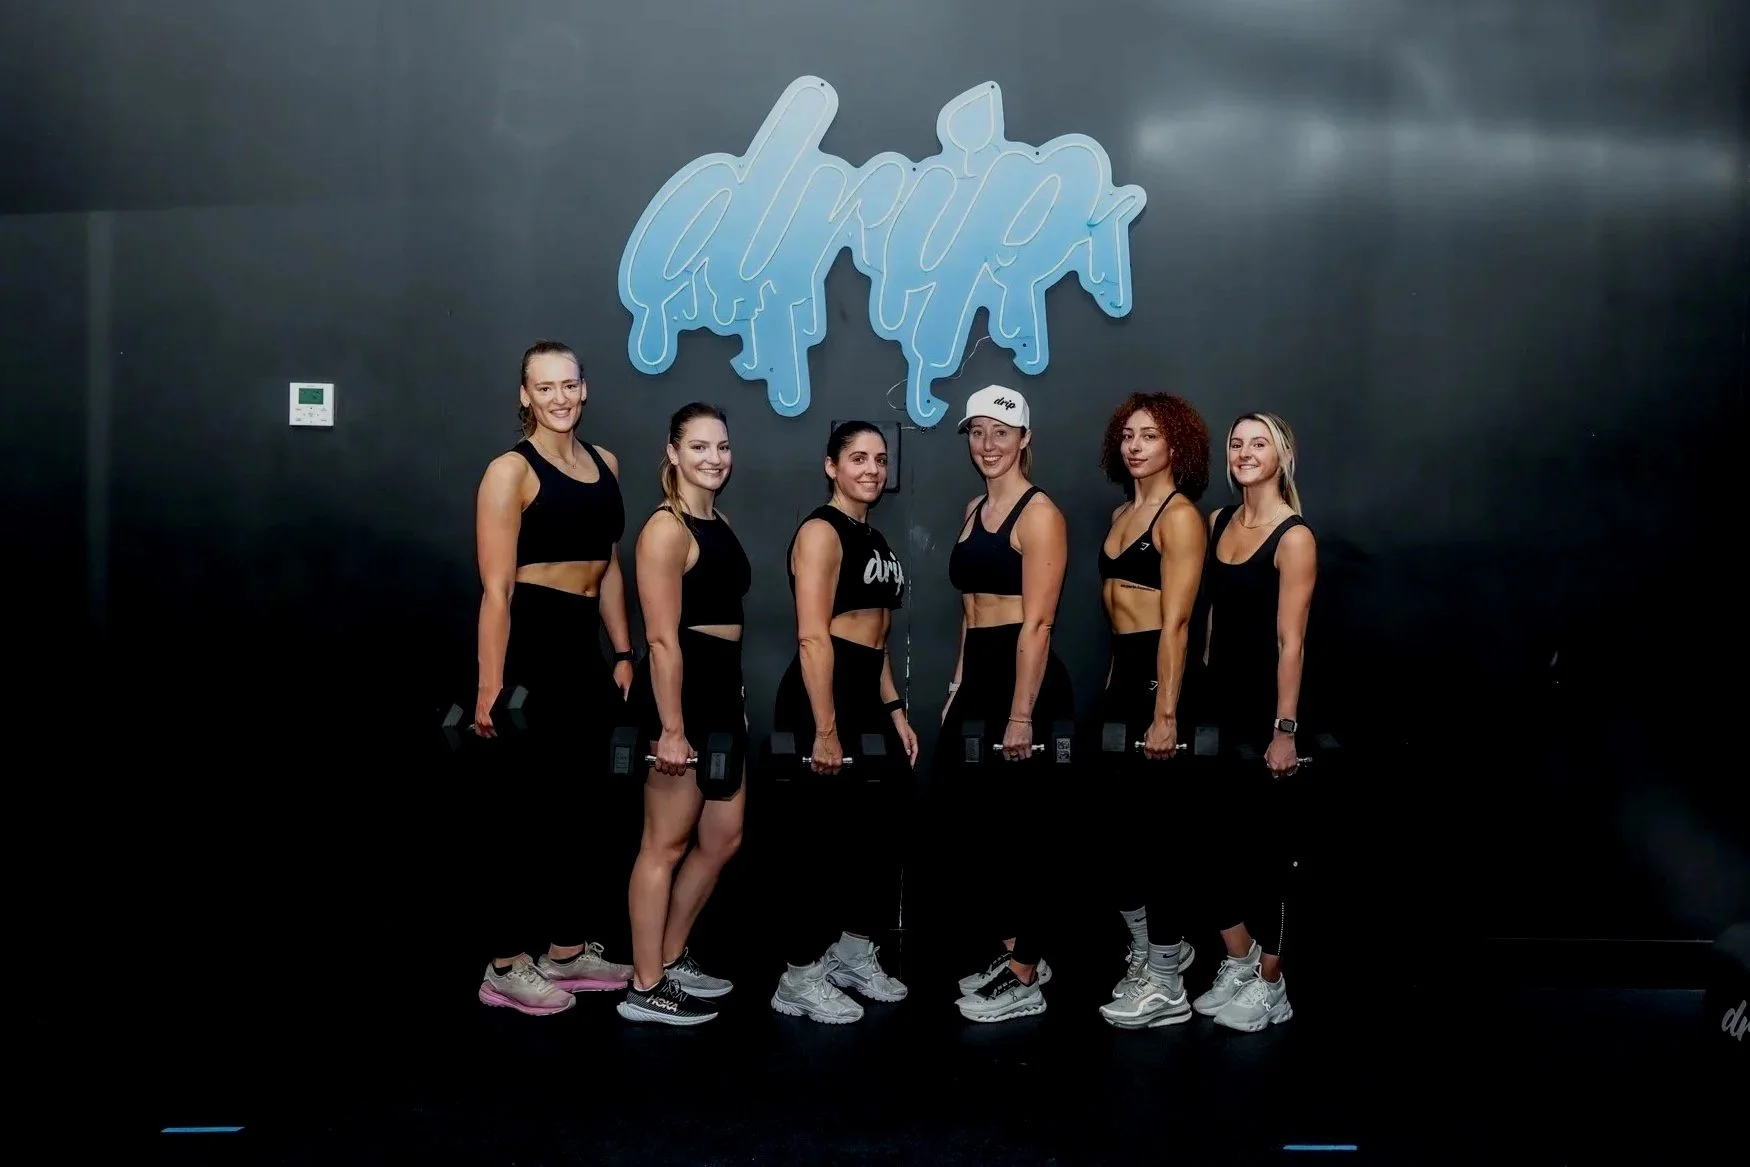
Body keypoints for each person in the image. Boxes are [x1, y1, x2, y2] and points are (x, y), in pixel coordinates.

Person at [471, 339, 636, 1016]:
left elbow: (610, 568)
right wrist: (489, 685)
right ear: (524, 396)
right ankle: (506, 964)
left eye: (569, 384)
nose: (561, 398)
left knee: (582, 809)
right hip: (530, 644)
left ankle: (565, 952)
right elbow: (497, 590)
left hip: (583, 648)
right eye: (546, 387)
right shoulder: (510, 471)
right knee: (524, 812)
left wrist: (624, 651)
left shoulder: (608, 463)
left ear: (584, 388)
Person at [768, 421, 919, 1024]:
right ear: (831, 466)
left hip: (863, 694)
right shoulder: (821, 532)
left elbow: (876, 638)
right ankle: (798, 977)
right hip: (820, 696)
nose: (872, 470)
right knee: (818, 843)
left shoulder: (874, 537)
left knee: (876, 835)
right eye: (858, 458)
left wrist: (894, 711)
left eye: (880, 460)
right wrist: (825, 728)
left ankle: (853, 952)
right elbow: (813, 636)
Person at [939, 386, 1074, 1025]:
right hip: (982, 680)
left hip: (1029, 682)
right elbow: (971, 611)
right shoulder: (973, 508)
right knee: (979, 826)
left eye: (1001, 432)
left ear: (1024, 439)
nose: (988, 445)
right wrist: (957, 687)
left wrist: (1022, 714)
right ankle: (1018, 951)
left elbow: (1039, 622)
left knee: (1028, 829)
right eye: (977, 433)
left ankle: (1024, 975)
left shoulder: (1039, 512)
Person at [618, 404, 749, 1026]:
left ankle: (669, 956)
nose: (713, 458)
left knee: (722, 837)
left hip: (722, 696)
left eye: (721, 447)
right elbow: (664, 640)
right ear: (673, 453)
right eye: (699, 447)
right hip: (681, 698)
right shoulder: (666, 529)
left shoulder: (714, 520)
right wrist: (671, 728)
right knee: (663, 845)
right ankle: (645, 985)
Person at [1190, 412, 1317, 1032]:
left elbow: (1291, 641)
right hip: (1219, 705)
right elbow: (1212, 621)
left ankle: (1272, 981)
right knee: (1215, 839)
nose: (1243, 452)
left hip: (1268, 711)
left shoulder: (1293, 537)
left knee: (1269, 848)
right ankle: (1237, 958)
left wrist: (1285, 728)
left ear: (1281, 456)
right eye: (1236, 443)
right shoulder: (1218, 523)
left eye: (1257, 443)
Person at [1087, 394, 1212, 1030]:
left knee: (1160, 836)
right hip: (1123, 680)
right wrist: (1117, 693)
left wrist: (1165, 713)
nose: (1136, 446)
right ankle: (1156, 949)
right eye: (1129, 435)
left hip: (1161, 687)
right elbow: (1117, 618)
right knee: (1118, 835)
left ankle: (1166, 982)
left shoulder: (1179, 516)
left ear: (1176, 448)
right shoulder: (1121, 513)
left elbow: (1177, 623)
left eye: (1151, 437)